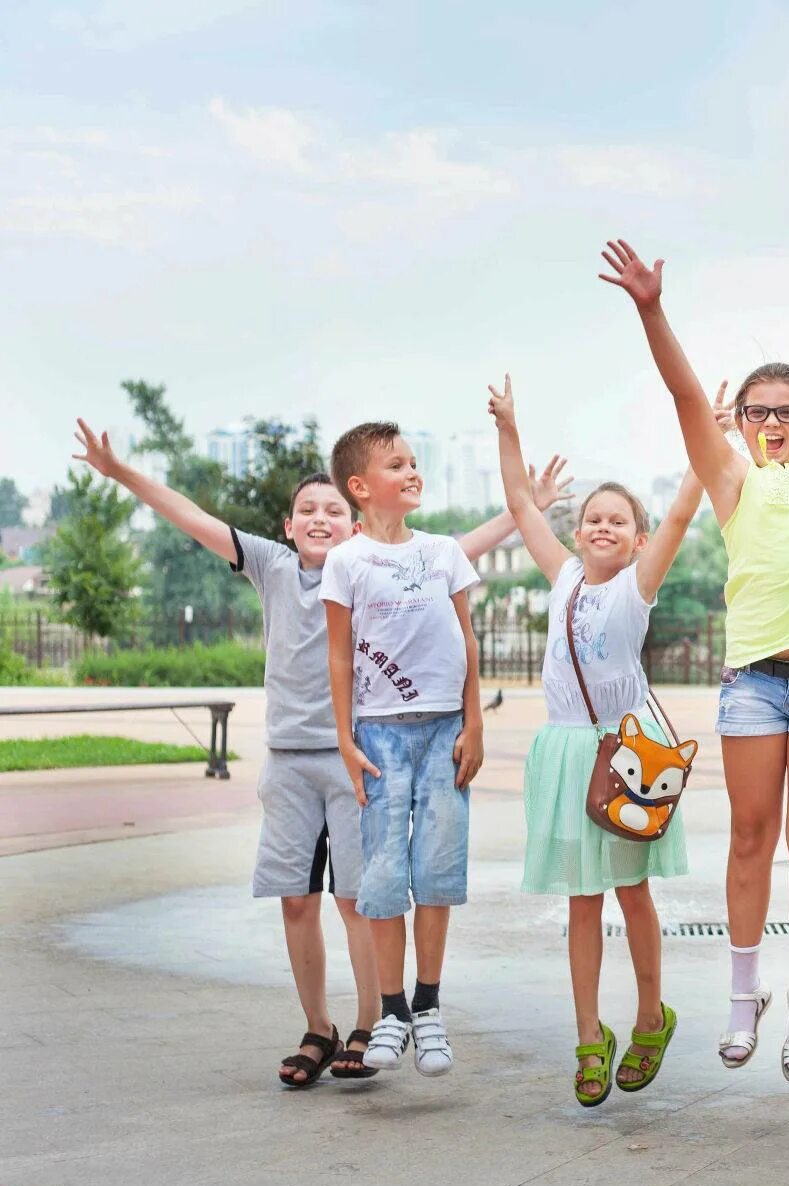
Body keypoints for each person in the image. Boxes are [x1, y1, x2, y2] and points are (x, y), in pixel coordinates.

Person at [70, 417, 563, 1084]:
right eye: (308, 508)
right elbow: (189, 516)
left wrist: (525, 508)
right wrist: (120, 472)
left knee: (361, 895)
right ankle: (319, 1027)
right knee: (296, 899)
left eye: (334, 507)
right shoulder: (271, 566)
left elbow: (460, 547)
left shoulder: (375, 566)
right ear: (287, 523)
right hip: (291, 760)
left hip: (360, 753)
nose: (320, 517)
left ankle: (372, 1020)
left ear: (355, 517)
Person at [598, 193, 789, 1083]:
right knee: (751, 835)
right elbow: (682, 392)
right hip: (754, 682)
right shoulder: (732, 482)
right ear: (741, 422)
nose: (775, 421)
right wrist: (651, 309)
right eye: (759, 410)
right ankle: (743, 993)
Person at [489, 375, 705, 1105]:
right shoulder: (564, 579)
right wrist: (509, 426)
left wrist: (707, 433)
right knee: (582, 900)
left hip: (626, 756)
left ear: (638, 539)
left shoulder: (635, 588)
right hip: (567, 753)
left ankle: (651, 1014)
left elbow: (680, 512)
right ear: (577, 534)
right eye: (591, 519)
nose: (602, 527)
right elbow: (522, 503)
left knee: (632, 891)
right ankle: (588, 1034)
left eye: (618, 520)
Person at [321, 420, 488, 1078]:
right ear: (361, 487)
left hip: (446, 730)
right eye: (397, 464)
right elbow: (337, 656)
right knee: (386, 871)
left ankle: (428, 1004)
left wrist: (474, 722)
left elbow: (468, 641)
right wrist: (344, 738)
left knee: (439, 866)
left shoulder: (445, 551)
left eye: (415, 461)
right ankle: (389, 1009)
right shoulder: (347, 561)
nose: (412, 472)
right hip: (381, 732)